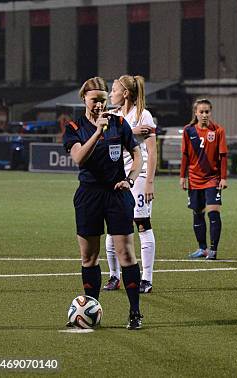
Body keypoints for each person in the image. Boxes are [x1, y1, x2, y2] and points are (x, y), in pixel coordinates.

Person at [62, 77, 144, 330]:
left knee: (126, 254)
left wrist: (130, 179)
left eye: (103, 100)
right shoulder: (74, 127)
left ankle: (135, 312)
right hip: (89, 195)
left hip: (117, 194)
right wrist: (98, 131)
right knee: (89, 257)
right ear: (84, 99)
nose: (99, 105)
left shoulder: (119, 123)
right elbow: (78, 157)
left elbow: (137, 153)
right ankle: (91, 309)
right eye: (94, 100)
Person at [103, 75, 157, 294]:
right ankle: (114, 275)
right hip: (116, 177)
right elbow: (103, 139)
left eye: (113, 90)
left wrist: (150, 182)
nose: (110, 94)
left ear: (125, 93)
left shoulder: (144, 115)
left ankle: (147, 278)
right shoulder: (113, 116)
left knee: (142, 223)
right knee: (112, 227)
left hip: (140, 175)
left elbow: (152, 152)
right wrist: (131, 132)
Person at [181, 99, 228, 260]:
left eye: (207, 111)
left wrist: (223, 178)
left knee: (213, 213)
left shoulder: (218, 131)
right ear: (195, 113)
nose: (204, 115)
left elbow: (223, 157)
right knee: (197, 213)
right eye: (201, 112)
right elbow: (185, 156)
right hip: (194, 179)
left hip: (212, 179)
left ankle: (213, 250)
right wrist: (182, 177)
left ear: (211, 112)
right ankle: (202, 249)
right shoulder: (188, 131)